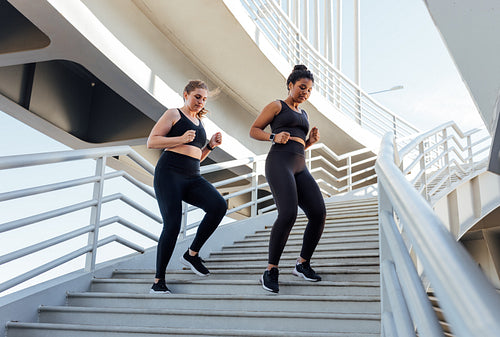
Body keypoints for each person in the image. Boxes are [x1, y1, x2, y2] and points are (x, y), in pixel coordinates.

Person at [249, 65, 327, 293]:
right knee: (288, 213)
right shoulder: (277, 106)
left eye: (310, 90)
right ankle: (270, 271)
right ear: (291, 85)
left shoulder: (304, 114)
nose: (305, 92)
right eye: (302, 87)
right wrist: (273, 136)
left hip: (300, 165)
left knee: (318, 212)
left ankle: (302, 264)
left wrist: (310, 141)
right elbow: (254, 129)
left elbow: (299, 144)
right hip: (279, 162)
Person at [147, 80, 227, 294]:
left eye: (204, 99)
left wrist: (210, 146)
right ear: (186, 95)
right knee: (172, 225)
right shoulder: (174, 114)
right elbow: (152, 141)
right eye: (197, 97)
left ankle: (192, 254)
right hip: (169, 174)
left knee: (219, 205)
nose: (201, 102)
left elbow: (195, 157)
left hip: (192, 176)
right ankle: (158, 281)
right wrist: (179, 138)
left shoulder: (200, 122)